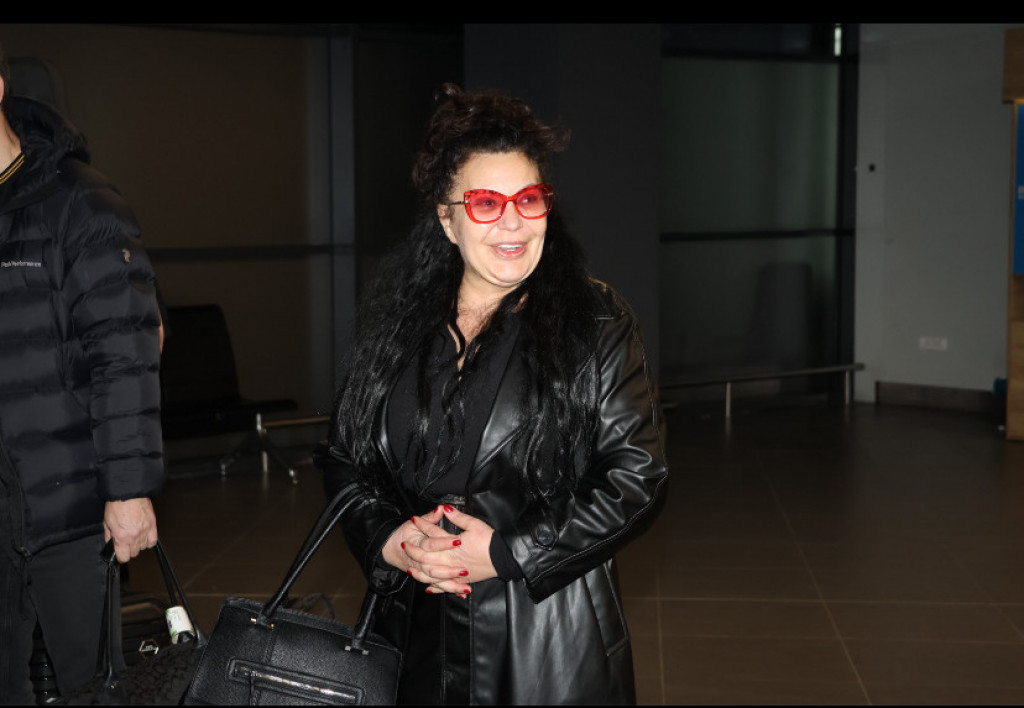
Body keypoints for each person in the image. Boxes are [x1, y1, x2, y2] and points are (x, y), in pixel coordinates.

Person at [315, 83, 668, 704]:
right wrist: (387, 539)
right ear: (447, 220)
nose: (512, 221)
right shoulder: (400, 326)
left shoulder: (594, 323)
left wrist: (508, 551)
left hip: (545, 645)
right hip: (413, 636)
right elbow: (343, 455)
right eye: (485, 203)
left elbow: (636, 479)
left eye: (528, 200)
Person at [0, 44, 164, 703]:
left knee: (91, 687)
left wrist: (128, 491)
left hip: (69, 507)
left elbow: (126, 351)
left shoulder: (78, 200)